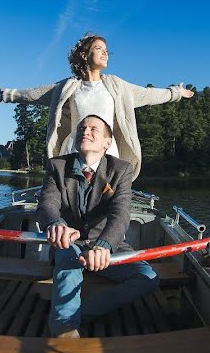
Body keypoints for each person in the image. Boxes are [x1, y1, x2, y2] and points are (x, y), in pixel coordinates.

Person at [0, 34, 194, 180]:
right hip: (75, 147)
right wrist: (8, 95)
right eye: (99, 48)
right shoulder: (68, 87)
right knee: (72, 195)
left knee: (105, 197)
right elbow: (35, 94)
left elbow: (148, 94)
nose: (105, 52)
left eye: (107, 50)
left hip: (107, 149)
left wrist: (175, 93)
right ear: (84, 55)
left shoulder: (116, 86)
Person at [39, 114, 158, 338]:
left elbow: (120, 214)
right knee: (69, 261)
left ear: (107, 142)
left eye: (93, 129)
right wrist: (56, 224)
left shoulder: (121, 170)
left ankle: (78, 316)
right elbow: (47, 203)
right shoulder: (57, 166)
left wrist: (104, 245)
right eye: (82, 128)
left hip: (106, 245)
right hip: (69, 242)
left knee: (148, 277)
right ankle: (65, 330)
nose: (85, 131)